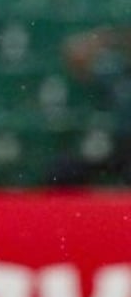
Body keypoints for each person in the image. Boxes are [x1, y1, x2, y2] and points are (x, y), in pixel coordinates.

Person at [46, 27, 131, 185]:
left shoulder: (118, 71)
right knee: (64, 168)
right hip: (109, 142)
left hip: (123, 143)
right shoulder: (110, 70)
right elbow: (77, 60)